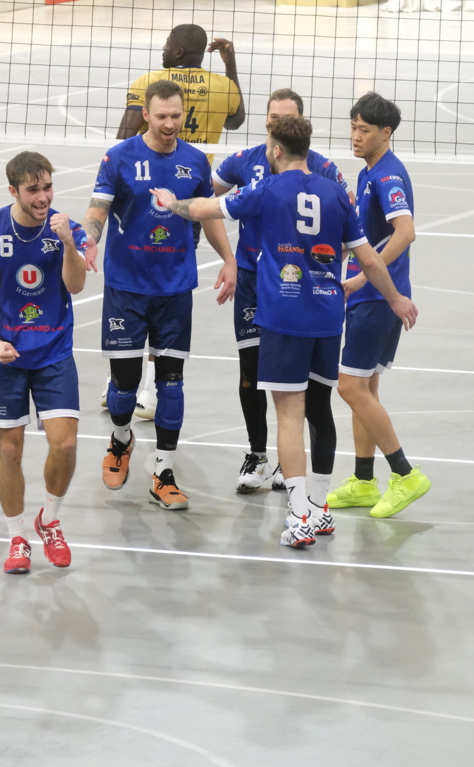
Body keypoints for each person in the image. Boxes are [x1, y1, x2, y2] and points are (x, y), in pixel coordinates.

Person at [154, 114, 417, 547]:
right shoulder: (336, 193)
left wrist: (171, 203)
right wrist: (395, 298)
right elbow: (369, 258)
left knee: (290, 414)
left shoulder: (266, 189)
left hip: (284, 316)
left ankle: (298, 516)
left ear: (275, 150)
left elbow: (202, 208)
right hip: (328, 318)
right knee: (321, 409)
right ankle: (320, 508)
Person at [84, 79, 237, 511]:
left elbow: (208, 214)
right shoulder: (119, 157)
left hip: (174, 289)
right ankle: (120, 440)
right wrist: (88, 239)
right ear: (146, 115)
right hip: (126, 287)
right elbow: (98, 208)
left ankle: (164, 472)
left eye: (176, 116)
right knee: (123, 391)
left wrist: (229, 259)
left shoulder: (195, 161)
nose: (170, 124)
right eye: (162, 116)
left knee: (172, 385)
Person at [106, 22, 246, 419]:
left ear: (179, 51)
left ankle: (128, 381)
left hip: (143, 195)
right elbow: (235, 120)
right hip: (192, 200)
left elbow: (123, 139)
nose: (164, 47)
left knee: (137, 286)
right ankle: (147, 388)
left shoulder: (149, 83)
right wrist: (230, 64)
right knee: (166, 289)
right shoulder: (222, 86)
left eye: (168, 43)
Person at [212, 86, 348, 493]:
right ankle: (258, 456)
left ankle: (298, 479)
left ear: (300, 124)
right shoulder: (244, 160)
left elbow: (350, 221)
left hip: (299, 289)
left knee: (304, 391)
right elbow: (207, 200)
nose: (277, 124)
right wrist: (228, 259)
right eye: (272, 118)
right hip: (253, 281)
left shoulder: (321, 168)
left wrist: (324, 266)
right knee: (251, 373)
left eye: (286, 119)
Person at [0, 151, 87, 574]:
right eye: (33, 190)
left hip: (54, 350)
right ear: (13, 191)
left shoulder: (67, 229)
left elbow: (76, 284)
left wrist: (68, 243)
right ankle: (17, 537)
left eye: (48, 187)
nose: (43, 197)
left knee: (65, 444)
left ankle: (49, 520)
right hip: (5, 355)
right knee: (9, 450)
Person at [327, 93, 431, 519]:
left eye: (364, 130)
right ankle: (364, 481)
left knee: (349, 387)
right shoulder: (370, 169)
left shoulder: (387, 175)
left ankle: (405, 474)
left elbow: (405, 232)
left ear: (386, 133)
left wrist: (363, 276)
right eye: (353, 127)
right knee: (365, 388)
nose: (355, 136)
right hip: (375, 296)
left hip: (376, 298)